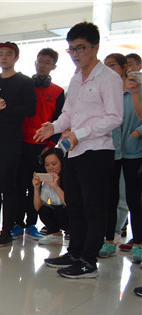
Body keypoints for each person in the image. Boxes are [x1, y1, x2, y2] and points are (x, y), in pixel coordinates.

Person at [35, 21, 124, 278]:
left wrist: (79, 133)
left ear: (95, 47)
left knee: (94, 208)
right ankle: (74, 253)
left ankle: (88, 262)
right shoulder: (75, 78)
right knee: (74, 205)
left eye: (80, 48)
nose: (75, 54)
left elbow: (114, 117)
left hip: (97, 150)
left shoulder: (109, 78)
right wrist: (53, 127)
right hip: (73, 151)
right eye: (71, 49)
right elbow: (68, 114)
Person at [0, 41, 37, 247]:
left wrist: (5, 106)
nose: (3, 57)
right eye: (1, 53)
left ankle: (7, 230)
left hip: (10, 142)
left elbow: (30, 109)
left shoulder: (24, 81)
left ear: (16, 57)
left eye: (8, 54)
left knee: (8, 187)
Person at [15, 48, 65, 241]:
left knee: (36, 186)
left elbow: (59, 121)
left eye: (47, 62)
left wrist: (50, 145)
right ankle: (17, 224)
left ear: (54, 66)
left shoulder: (58, 92)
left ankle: (32, 224)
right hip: (22, 144)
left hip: (42, 148)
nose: (42, 65)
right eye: (40, 61)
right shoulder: (24, 86)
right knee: (19, 186)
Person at [102, 54, 142, 263]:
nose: (109, 70)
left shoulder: (138, 89)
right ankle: (109, 240)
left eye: (113, 66)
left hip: (134, 151)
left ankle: (138, 245)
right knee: (110, 198)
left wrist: (138, 132)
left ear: (125, 67)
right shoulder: (108, 92)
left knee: (134, 199)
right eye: (106, 66)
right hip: (112, 150)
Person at [33, 148, 68, 245]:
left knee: (60, 210)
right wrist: (36, 188)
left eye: (54, 164)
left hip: (76, 216)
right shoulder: (48, 180)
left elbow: (70, 204)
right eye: (47, 165)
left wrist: (56, 186)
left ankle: (77, 233)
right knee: (45, 210)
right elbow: (38, 207)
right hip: (62, 216)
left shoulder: (70, 177)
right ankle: (56, 234)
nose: (50, 168)